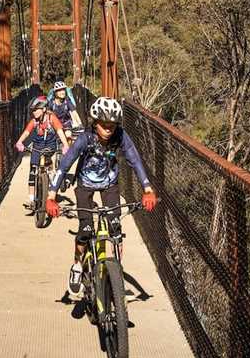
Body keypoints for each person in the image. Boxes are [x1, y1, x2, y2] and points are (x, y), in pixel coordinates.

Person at [45, 96, 157, 297]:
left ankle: (116, 275)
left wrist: (147, 189)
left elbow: (135, 160)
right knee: (86, 230)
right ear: (95, 123)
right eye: (104, 125)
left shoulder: (120, 136)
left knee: (115, 229)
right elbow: (64, 165)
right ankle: (77, 266)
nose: (108, 129)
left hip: (109, 185)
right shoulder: (85, 138)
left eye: (112, 125)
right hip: (85, 185)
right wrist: (51, 196)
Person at [15, 95, 70, 211]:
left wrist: (66, 145)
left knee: (50, 170)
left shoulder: (51, 118)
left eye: (36, 109)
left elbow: (60, 131)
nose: (34, 112)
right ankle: (31, 199)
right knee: (33, 171)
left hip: (50, 148)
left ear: (44, 109)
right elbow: (26, 132)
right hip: (37, 147)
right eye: (32, 110)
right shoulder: (34, 121)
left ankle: (51, 193)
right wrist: (19, 142)